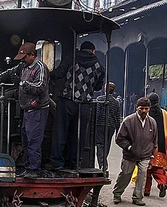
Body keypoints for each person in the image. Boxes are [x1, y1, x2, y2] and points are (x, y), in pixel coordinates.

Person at [49, 41, 105, 170]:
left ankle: (56, 163)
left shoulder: (72, 57)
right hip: (85, 105)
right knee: (78, 135)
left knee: (60, 132)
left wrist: (46, 73)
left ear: (82, 49)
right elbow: (98, 87)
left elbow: (59, 73)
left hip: (68, 100)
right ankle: (75, 163)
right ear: (93, 51)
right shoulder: (99, 66)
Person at [14, 42, 50, 178]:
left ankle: (34, 169)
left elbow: (40, 86)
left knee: (33, 139)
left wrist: (24, 84)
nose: (22, 60)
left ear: (32, 55)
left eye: (24, 57)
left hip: (38, 109)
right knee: (26, 138)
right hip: (27, 109)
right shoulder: (25, 67)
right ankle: (28, 166)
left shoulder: (40, 67)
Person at [113, 97, 157, 206]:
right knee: (125, 175)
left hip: (146, 155)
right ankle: (117, 194)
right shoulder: (128, 120)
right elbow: (119, 139)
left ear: (149, 109)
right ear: (137, 108)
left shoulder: (152, 122)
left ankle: (137, 198)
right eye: (141, 108)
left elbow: (154, 141)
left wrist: (152, 156)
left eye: (146, 109)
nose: (144, 111)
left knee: (142, 176)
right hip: (130, 155)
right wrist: (129, 148)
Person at [144, 93, 167, 198]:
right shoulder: (164, 113)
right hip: (161, 145)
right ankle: (162, 184)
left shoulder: (146, 112)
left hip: (148, 145)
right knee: (159, 169)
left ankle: (146, 190)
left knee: (147, 169)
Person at [95, 82, 121, 170]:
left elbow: (97, 113)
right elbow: (118, 117)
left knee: (100, 145)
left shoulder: (100, 99)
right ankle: (104, 162)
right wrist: (118, 130)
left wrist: (93, 125)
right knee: (107, 145)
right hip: (111, 126)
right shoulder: (116, 102)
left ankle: (102, 163)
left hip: (100, 125)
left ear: (104, 89)